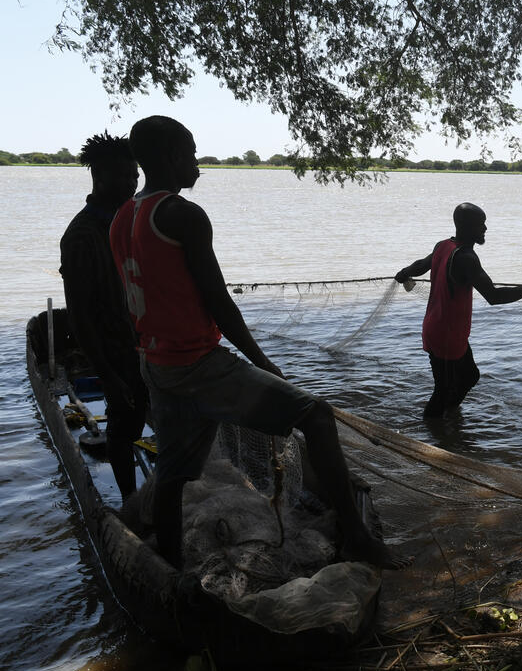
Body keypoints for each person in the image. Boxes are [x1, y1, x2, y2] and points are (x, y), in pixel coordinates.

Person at [111, 115, 398, 568]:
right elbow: (219, 302)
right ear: (170, 157)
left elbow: (135, 296)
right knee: (318, 417)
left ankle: (169, 568)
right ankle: (358, 538)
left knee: (172, 474)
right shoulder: (182, 215)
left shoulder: (123, 216)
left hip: (158, 364)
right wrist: (261, 360)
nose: (197, 164)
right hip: (199, 366)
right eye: (191, 153)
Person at [395, 203, 522, 418]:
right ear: (465, 226)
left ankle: (449, 419)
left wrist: (404, 272)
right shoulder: (466, 258)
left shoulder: (443, 246)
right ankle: (431, 437)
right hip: (446, 334)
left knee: (469, 377)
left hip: (443, 329)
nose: (484, 229)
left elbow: (421, 265)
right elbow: (494, 297)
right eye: (480, 224)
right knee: (442, 389)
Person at [59, 132, 149, 500]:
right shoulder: (82, 236)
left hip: (143, 342)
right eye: (123, 176)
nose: (131, 183)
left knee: (139, 416)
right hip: (113, 348)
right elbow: (80, 316)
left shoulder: (129, 220)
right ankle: (129, 500)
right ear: (99, 177)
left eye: (135, 175)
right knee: (123, 426)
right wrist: (108, 376)